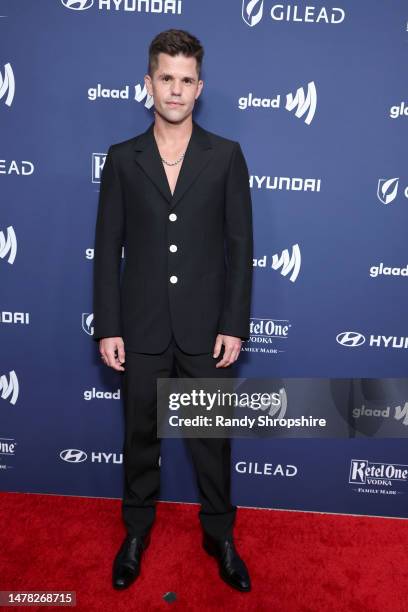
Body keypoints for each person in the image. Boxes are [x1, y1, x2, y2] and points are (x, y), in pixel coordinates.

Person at [93, 28, 253, 593]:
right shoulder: (121, 159)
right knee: (140, 437)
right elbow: (107, 246)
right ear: (149, 83)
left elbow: (241, 247)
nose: (176, 90)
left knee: (211, 442)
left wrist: (234, 323)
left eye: (187, 80)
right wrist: (108, 327)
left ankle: (220, 535)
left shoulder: (227, 157)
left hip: (206, 331)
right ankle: (136, 532)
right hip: (139, 329)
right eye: (167, 78)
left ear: (199, 87)